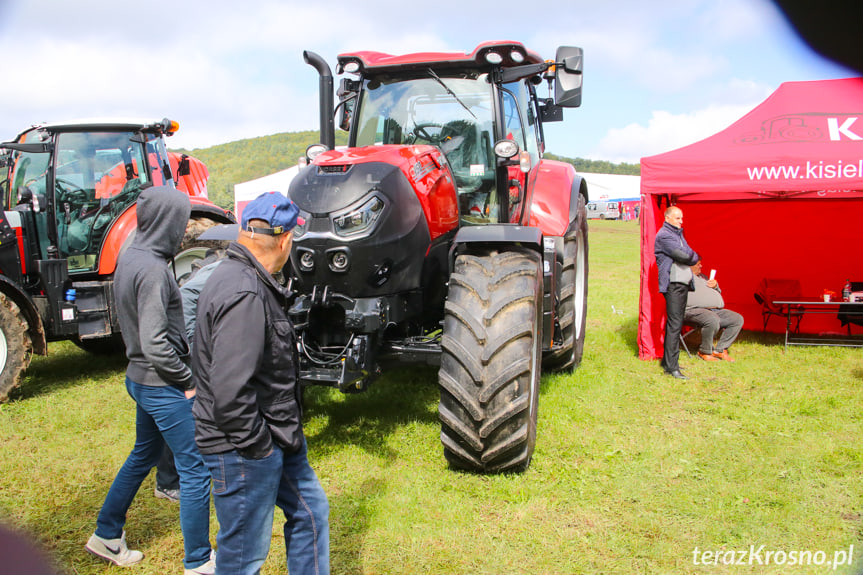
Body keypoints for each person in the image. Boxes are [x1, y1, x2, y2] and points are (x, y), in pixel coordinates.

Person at [192, 191, 329, 575]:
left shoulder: (246, 277)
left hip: (277, 433)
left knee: (311, 511)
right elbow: (230, 393)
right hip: (245, 447)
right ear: (286, 240)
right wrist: (260, 450)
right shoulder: (244, 292)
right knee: (242, 557)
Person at [85, 186, 215, 575]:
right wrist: (187, 380)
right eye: (181, 221)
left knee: (143, 455)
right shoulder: (155, 270)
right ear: (167, 222)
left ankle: (106, 535)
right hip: (162, 384)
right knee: (196, 470)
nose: (184, 229)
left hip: (138, 378)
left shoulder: (132, 255)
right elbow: (156, 342)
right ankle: (199, 562)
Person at [653, 205, 700, 380]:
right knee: (674, 325)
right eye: (678, 218)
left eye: (682, 218)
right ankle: (672, 368)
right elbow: (686, 257)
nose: (681, 221)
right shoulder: (665, 235)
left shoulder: (677, 235)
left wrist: (692, 256)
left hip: (682, 283)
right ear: (668, 219)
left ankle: (668, 362)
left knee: (675, 324)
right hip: (674, 284)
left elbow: (692, 255)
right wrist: (691, 256)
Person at [684, 260, 744, 362]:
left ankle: (720, 350)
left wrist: (716, 286)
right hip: (692, 310)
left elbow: (716, 292)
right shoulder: (683, 277)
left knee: (736, 319)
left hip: (713, 310)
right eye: (698, 264)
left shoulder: (704, 277)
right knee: (712, 319)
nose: (701, 265)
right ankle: (704, 351)